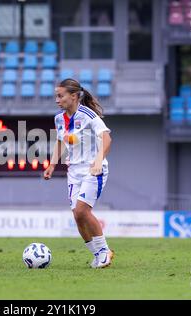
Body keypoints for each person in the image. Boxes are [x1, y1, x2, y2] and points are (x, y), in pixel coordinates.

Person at [43, 78, 115, 268]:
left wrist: (98, 160)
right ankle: (97, 253)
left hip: (94, 169)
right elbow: (60, 141)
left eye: (60, 96)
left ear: (74, 96)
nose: (57, 100)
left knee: (83, 210)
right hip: (74, 171)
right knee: (77, 215)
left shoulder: (88, 115)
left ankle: (104, 250)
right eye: (56, 96)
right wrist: (52, 165)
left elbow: (107, 139)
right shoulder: (59, 119)